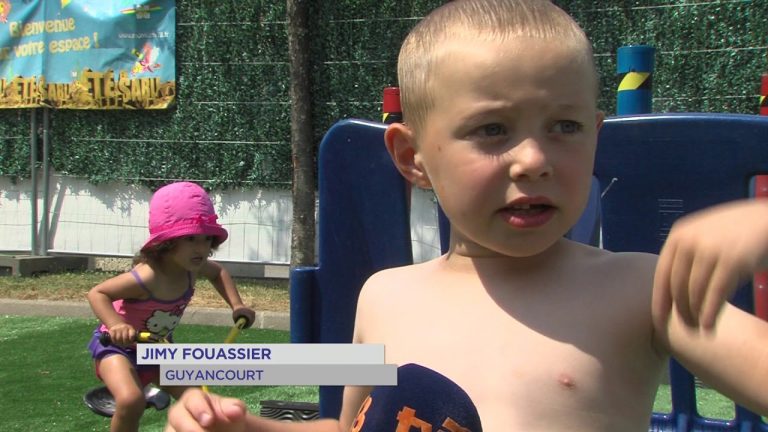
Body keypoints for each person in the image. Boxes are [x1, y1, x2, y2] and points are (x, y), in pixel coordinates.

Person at [164, 1, 768, 431]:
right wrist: (250, 428)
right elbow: (359, 427)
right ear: (413, 157)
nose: (534, 159)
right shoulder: (385, 297)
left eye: (565, 126)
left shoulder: (642, 291)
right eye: (492, 130)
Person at [87, 181, 256, 432]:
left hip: (159, 349)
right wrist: (116, 325)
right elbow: (98, 293)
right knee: (131, 400)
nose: (202, 248)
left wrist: (237, 305)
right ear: (166, 243)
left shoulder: (193, 268)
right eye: (190, 239)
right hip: (118, 349)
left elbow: (218, 272)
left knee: (199, 400)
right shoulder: (147, 277)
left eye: (206, 238)